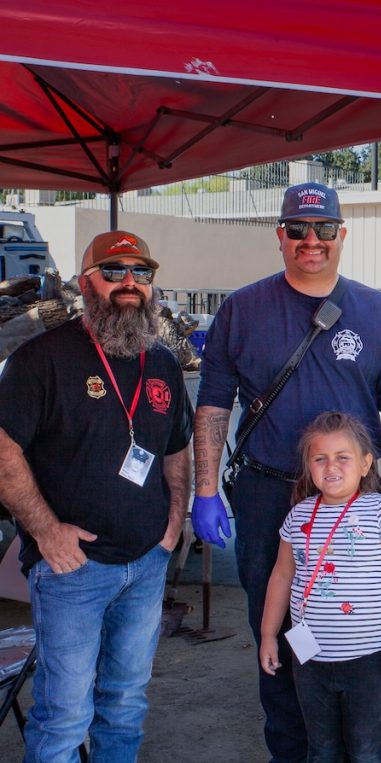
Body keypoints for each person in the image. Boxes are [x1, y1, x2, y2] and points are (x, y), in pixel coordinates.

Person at [190, 182, 381, 761]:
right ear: (280, 236)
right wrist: (205, 490)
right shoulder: (242, 309)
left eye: (323, 229)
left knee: (357, 620)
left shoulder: (376, 310)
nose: (310, 241)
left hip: (357, 500)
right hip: (269, 494)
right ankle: (293, 750)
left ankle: (355, 747)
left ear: (342, 234)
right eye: (298, 229)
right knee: (278, 624)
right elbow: (214, 404)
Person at [0, 230, 194, 762]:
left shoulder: (163, 364)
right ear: (86, 283)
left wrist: (175, 522)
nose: (129, 283)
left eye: (141, 273)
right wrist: (45, 532)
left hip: (147, 563)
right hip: (72, 571)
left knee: (126, 702)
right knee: (64, 716)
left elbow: (177, 447)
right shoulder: (40, 360)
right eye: (113, 272)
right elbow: (3, 450)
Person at [260, 412, 381, 763]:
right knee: (322, 749)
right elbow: (282, 576)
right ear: (309, 467)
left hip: (369, 659)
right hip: (310, 659)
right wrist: (269, 635)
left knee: (365, 749)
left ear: (365, 464)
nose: (331, 466)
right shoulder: (299, 515)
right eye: (320, 458)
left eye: (342, 457)